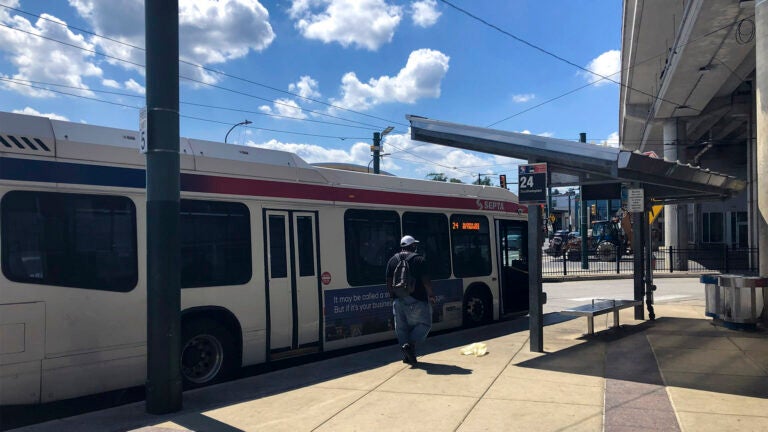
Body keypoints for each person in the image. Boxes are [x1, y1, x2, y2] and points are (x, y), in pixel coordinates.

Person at [385, 235, 436, 365]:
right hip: (417, 298)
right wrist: (431, 295)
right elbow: (426, 280)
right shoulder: (419, 260)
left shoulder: (392, 260)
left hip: (398, 299)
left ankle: (408, 354)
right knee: (425, 324)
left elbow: (389, 281)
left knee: (401, 329)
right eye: (415, 245)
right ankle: (410, 345)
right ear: (412, 246)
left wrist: (392, 296)